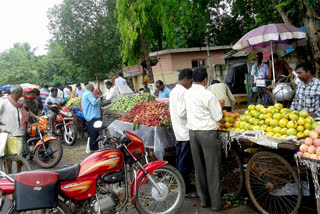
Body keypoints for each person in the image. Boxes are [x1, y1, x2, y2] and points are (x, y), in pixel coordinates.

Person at [184, 67, 224, 211]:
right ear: (206, 80)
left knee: (199, 168)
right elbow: (218, 117)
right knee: (212, 169)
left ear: (193, 79)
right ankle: (216, 204)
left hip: (193, 133)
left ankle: (203, 200)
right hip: (207, 133)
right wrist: (221, 107)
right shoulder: (208, 95)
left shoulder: (187, 94)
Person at [169, 68, 197, 198]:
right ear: (186, 79)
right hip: (185, 132)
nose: (191, 84)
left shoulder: (174, 91)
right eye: (191, 81)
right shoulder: (182, 92)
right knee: (184, 162)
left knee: (181, 159)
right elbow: (182, 112)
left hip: (179, 131)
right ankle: (185, 189)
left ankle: (183, 185)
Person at [0, 86, 28, 157]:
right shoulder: (4, 102)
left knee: (22, 155)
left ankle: (19, 168)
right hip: (8, 132)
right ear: (16, 93)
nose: (22, 95)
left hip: (20, 132)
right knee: (9, 155)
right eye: (21, 93)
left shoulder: (20, 103)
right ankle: (9, 169)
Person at [81, 84, 101, 152]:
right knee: (94, 133)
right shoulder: (89, 94)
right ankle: (94, 148)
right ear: (91, 88)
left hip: (89, 116)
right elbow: (94, 102)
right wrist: (99, 99)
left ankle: (93, 147)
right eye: (93, 89)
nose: (93, 90)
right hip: (93, 116)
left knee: (92, 133)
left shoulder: (84, 93)